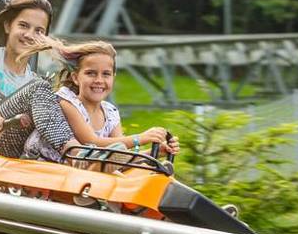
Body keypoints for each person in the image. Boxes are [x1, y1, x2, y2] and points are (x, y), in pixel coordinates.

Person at [16, 38, 180, 165]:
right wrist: (140, 138)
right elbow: (91, 142)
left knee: (116, 158)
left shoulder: (110, 113)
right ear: (76, 78)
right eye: (91, 73)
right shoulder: (67, 102)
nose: (99, 80)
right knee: (110, 157)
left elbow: (121, 157)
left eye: (106, 74)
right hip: (42, 162)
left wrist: (153, 154)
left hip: (78, 169)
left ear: (113, 78)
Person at [0, 0, 78, 160]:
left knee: (59, 97)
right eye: (23, 25)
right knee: (40, 87)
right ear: (8, 26)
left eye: (39, 31)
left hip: (18, 149)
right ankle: (75, 153)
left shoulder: (33, 80)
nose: (29, 35)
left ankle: (90, 154)